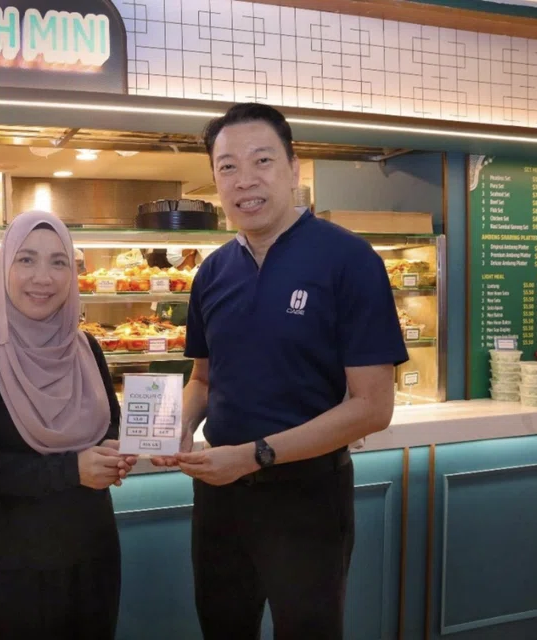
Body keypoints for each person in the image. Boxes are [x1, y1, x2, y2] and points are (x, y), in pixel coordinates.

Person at [152, 103, 408, 639]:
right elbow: (203, 379)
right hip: (219, 496)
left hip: (307, 496)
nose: (245, 180)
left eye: (261, 160)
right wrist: (175, 423)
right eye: (227, 166)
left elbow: (372, 406)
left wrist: (254, 456)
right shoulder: (212, 272)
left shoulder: (350, 260)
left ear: (294, 167)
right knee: (223, 628)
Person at [0, 211, 136, 639]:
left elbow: (110, 424)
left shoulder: (87, 347)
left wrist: (119, 451)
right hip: (12, 567)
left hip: (92, 555)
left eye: (58, 262)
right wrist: (73, 469)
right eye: (26, 260)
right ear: (4, 266)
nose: (42, 277)